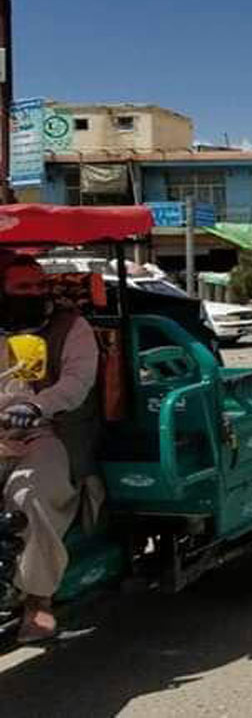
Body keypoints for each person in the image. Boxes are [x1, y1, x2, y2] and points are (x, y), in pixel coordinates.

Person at [0, 255, 100, 643]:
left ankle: (38, 602)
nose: (36, 293)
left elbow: (77, 382)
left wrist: (37, 405)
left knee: (31, 498)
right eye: (23, 287)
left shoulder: (70, 327)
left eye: (40, 285)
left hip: (46, 432)